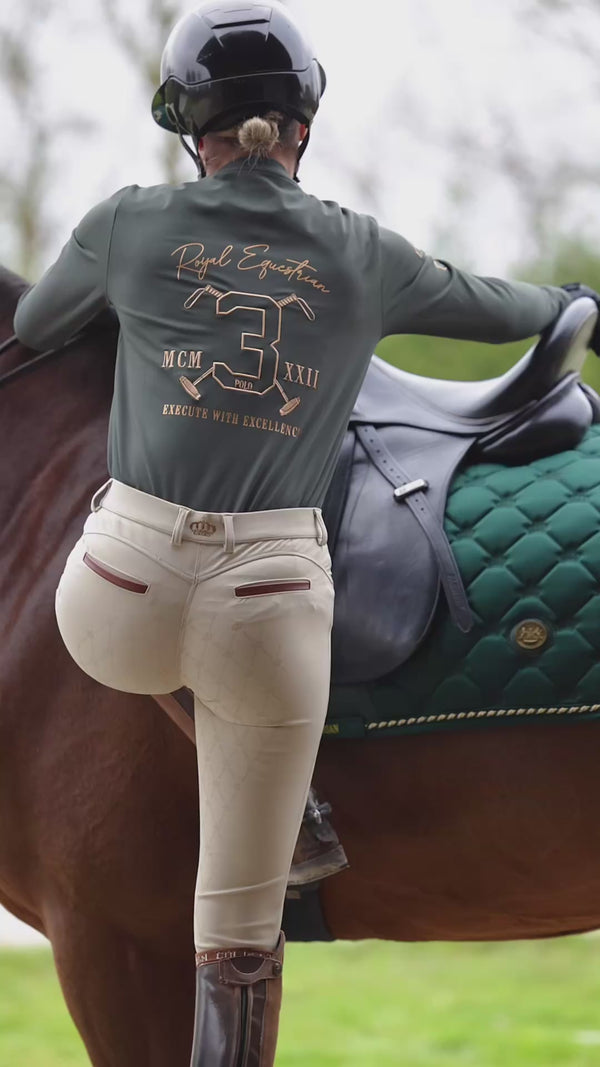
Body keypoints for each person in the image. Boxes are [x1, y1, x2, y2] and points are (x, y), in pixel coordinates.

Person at [12, 2, 600, 1063]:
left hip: (114, 601)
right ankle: (297, 818)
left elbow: (37, 325)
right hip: (269, 611)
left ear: (186, 127)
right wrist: (568, 297)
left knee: (115, 538)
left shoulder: (128, 223)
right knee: (239, 928)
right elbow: (501, 307)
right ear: (304, 129)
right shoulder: (362, 251)